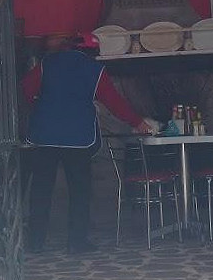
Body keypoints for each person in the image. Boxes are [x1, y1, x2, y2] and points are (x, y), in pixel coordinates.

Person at [22, 32, 155, 254]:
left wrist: (40, 106)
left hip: (44, 136)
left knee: (41, 190)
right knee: (80, 191)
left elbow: (27, 87)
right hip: (78, 138)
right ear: (93, 51)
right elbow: (114, 102)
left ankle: (35, 242)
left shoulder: (47, 63)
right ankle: (76, 242)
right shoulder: (94, 69)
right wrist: (138, 122)